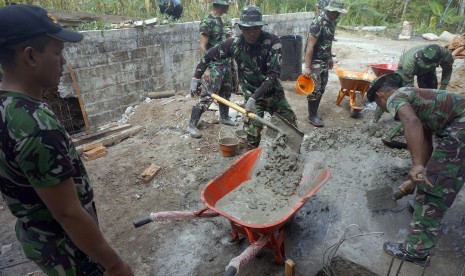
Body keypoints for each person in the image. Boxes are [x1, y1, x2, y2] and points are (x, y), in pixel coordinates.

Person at [0, 4, 133, 275]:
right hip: (69, 252)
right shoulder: (36, 127)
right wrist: (114, 263)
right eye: (58, 53)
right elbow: (68, 213)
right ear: (31, 56)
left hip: (37, 238)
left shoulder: (7, 106)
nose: (63, 63)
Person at [366, 72, 465, 267]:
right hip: (458, 127)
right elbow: (424, 141)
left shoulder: (396, 97)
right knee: (439, 177)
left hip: (460, 129)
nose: (386, 110)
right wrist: (413, 180)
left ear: (380, 96)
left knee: (432, 189)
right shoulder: (419, 100)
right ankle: (425, 209)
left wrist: (417, 165)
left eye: (381, 107)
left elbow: (411, 122)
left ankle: (416, 250)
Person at [190, 5, 298, 149]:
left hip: (273, 94)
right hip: (252, 97)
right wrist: (196, 78)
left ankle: (291, 159)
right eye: (247, 29)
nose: (251, 33)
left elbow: (273, 75)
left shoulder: (272, 42)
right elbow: (208, 55)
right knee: (252, 135)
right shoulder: (234, 44)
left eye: (255, 28)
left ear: (261, 27)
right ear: (241, 27)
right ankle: (251, 161)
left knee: (290, 128)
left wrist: (254, 97)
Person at [373, 44, 454, 145]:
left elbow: (447, 69)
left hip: (428, 71)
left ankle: (431, 122)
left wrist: (443, 88)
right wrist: (410, 110)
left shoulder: (445, 55)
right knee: (393, 93)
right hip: (405, 70)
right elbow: (409, 92)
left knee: (432, 96)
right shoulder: (409, 63)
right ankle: (376, 118)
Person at [187, 0, 236, 139]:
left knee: (226, 92)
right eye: (227, 4)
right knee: (208, 96)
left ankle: (224, 117)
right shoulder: (207, 21)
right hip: (214, 64)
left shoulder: (221, 20)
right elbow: (202, 46)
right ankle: (191, 124)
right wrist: (206, 69)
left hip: (225, 63)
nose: (229, 6)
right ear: (221, 5)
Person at [304, 0, 346, 127]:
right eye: (337, 12)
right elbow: (310, 46)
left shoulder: (333, 22)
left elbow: (328, 41)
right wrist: (307, 67)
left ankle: (314, 112)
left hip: (324, 60)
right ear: (330, 10)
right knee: (315, 89)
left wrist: (330, 57)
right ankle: (311, 115)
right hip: (315, 59)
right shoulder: (318, 22)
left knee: (322, 87)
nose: (339, 14)